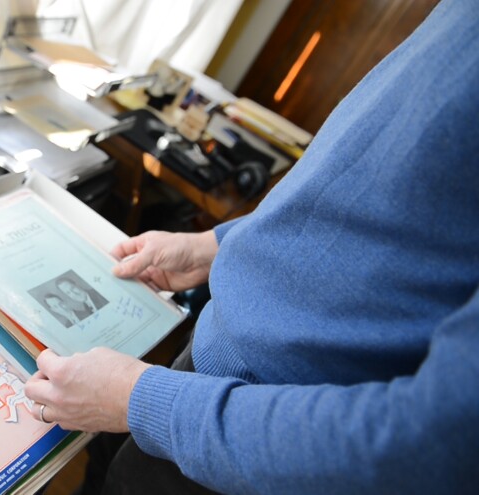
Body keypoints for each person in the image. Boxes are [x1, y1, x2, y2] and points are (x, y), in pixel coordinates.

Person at [24, 1, 478, 493]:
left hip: (249, 449)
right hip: (193, 372)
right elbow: (378, 203)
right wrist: (216, 246)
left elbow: (429, 447)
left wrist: (140, 400)